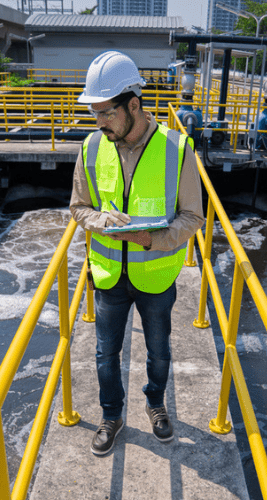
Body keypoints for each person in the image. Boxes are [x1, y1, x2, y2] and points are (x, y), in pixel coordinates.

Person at [69, 51, 205, 456]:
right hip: (109, 276)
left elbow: (193, 217)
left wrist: (151, 239)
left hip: (157, 276)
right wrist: (101, 221)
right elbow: (78, 207)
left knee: (158, 351)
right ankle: (112, 416)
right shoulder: (92, 147)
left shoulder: (177, 149)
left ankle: (156, 405)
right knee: (105, 354)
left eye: (106, 113)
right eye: (95, 113)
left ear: (133, 104)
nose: (99, 122)